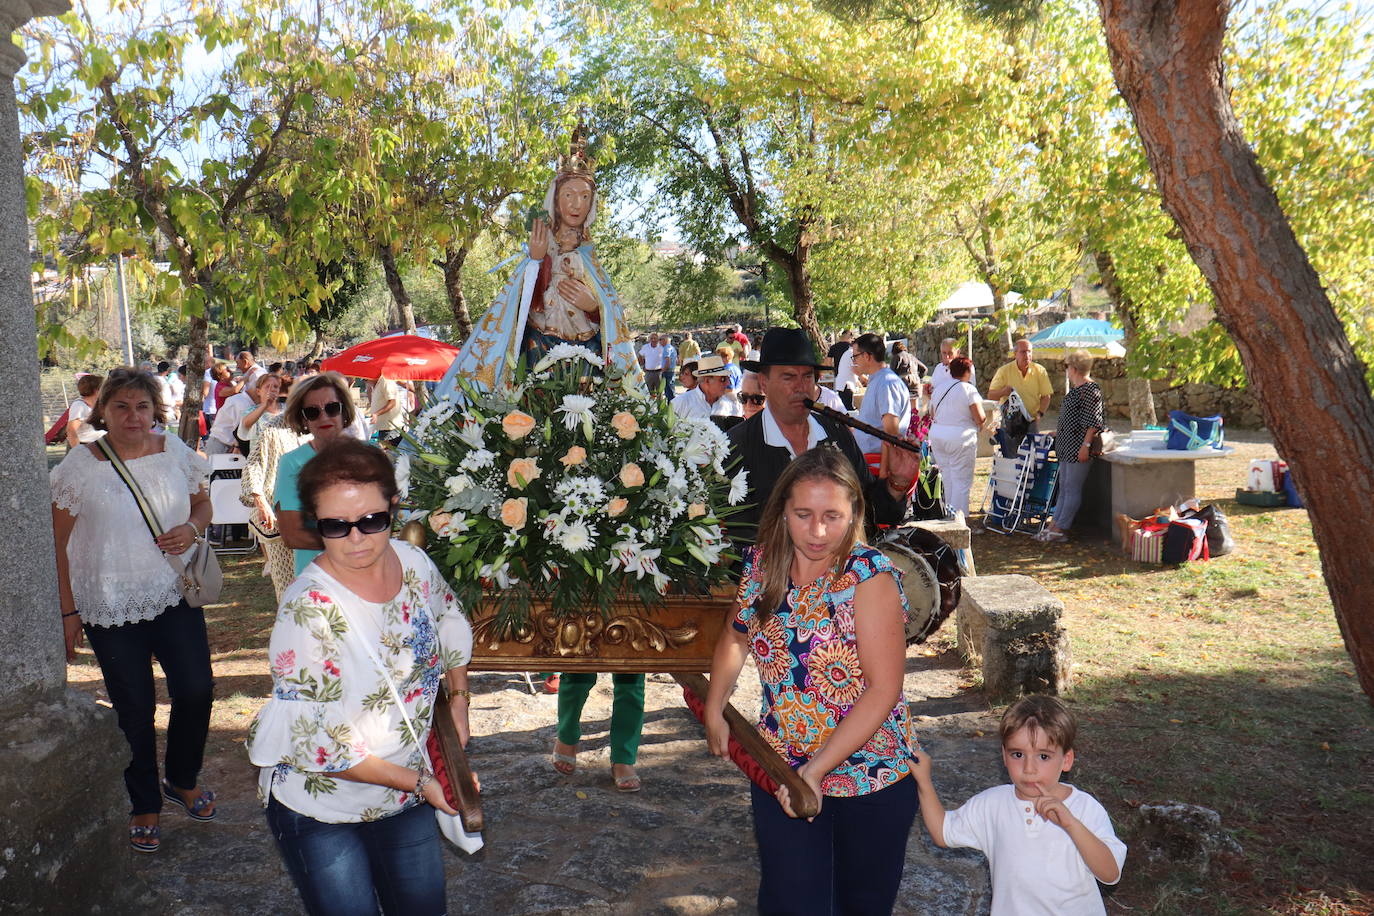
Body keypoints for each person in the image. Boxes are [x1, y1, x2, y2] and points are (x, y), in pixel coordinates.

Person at [247, 439, 475, 916]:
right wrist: (420, 783)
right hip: (322, 809)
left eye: (372, 520)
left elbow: (449, 617)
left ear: (394, 507)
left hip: (408, 790)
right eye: (335, 525)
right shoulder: (308, 611)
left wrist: (458, 702)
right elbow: (319, 743)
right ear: (315, 523)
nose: (357, 539)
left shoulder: (412, 562)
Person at [704, 447, 920, 915]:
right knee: (790, 901)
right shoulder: (762, 566)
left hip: (871, 777)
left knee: (859, 905)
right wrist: (714, 705)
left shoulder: (870, 579)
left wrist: (817, 769)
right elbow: (736, 636)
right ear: (782, 510)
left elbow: (883, 690)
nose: (817, 532)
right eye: (803, 514)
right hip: (782, 769)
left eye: (832, 516)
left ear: (855, 513)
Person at [50, 367, 217, 854]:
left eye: (142, 406)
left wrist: (191, 526)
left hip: (172, 594)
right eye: (121, 406)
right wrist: (68, 612)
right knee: (134, 709)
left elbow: (203, 505)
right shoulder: (81, 465)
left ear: (155, 411)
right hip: (106, 603)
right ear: (102, 411)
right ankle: (143, 801)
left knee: (196, 690)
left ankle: (181, 779)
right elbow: (56, 544)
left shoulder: (173, 451)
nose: (132, 416)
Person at [434, 130, 643, 395]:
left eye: (584, 197)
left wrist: (594, 307)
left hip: (587, 353)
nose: (576, 204)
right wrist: (536, 261)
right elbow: (518, 306)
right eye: (569, 195)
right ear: (555, 199)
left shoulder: (590, 258)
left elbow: (614, 317)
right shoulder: (540, 246)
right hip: (540, 347)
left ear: (592, 204)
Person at [912, 695, 1126, 915]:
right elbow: (943, 832)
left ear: (1066, 760)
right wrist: (924, 782)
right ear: (1004, 755)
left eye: (1043, 756)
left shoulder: (1084, 808)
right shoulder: (992, 805)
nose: (1029, 768)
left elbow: (1110, 874)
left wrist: (1071, 824)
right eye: (1017, 754)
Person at [728, 327, 919, 539]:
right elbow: (739, 538)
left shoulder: (836, 432)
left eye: (808, 377)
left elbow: (873, 512)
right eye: (789, 377)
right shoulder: (738, 445)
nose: (801, 387)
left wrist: (897, 484)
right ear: (764, 382)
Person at [276, 372, 360, 576]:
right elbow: (292, 535)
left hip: (370, 574)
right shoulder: (292, 463)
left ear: (344, 411)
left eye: (332, 408)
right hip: (319, 580)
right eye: (313, 412)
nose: (324, 417)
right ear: (303, 419)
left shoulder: (372, 457)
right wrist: (353, 543)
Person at [1036, 350, 1105, 543]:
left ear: (1073, 368)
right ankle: (1054, 525)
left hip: (1078, 447)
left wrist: (1086, 445)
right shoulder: (1077, 390)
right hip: (1067, 445)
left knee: (1072, 488)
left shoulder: (1091, 390)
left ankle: (1061, 528)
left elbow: (1093, 422)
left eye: (1067, 367)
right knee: (1064, 487)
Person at [240, 408, 310, 598]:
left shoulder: (328, 428)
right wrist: (259, 500)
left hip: (318, 523)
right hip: (281, 519)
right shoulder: (274, 429)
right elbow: (254, 465)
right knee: (288, 589)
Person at [927, 356, 986, 519]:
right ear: (968, 372)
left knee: (948, 477)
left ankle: (949, 516)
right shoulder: (968, 389)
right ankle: (960, 520)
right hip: (960, 437)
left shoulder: (939, 388)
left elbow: (932, 413)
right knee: (962, 481)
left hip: (938, 435)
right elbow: (979, 417)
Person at [849, 333, 913, 480]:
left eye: (855, 356)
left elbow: (890, 433)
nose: (854, 361)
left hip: (877, 468)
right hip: (871, 464)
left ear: (866, 356)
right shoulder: (879, 380)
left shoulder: (886, 383)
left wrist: (884, 474)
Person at [988, 338, 1053, 458]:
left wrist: (1040, 414)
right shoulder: (1004, 371)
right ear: (1015, 354)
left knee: (1032, 458)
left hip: (1031, 422)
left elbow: (1046, 396)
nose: (1027, 355)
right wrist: (1003, 391)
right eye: (1023, 352)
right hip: (1010, 422)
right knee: (1011, 457)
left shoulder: (1040, 371)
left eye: (1029, 351)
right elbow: (991, 395)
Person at [670, 355, 742, 421]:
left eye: (728, 378)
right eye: (722, 379)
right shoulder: (681, 403)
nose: (728, 383)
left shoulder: (731, 404)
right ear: (707, 381)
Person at [208, 375, 257, 455]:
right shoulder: (242, 404)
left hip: (224, 443)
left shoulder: (243, 400)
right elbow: (241, 432)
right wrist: (237, 447)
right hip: (222, 444)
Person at [65, 373, 105, 448]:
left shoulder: (96, 404)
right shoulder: (79, 406)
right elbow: (71, 431)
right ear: (96, 390)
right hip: (85, 447)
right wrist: (77, 451)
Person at [369, 374, 406, 446]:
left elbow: (392, 402)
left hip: (391, 428)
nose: (366, 382)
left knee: (389, 453)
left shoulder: (385, 381)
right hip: (384, 428)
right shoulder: (377, 384)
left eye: (366, 380)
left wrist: (376, 414)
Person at [833, 341, 858, 411]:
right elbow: (856, 370)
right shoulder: (851, 353)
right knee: (848, 409)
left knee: (845, 408)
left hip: (844, 385)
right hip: (845, 386)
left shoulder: (848, 353)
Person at [639, 333, 666, 397]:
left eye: (655, 338)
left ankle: (659, 406)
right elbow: (640, 355)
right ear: (649, 339)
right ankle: (651, 406)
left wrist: (664, 367)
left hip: (658, 372)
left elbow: (666, 358)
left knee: (659, 392)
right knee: (649, 392)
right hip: (648, 373)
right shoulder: (645, 347)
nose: (653, 340)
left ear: (658, 339)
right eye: (651, 338)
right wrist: (643, 364)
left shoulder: (661, 347)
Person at [660, 335, 678, 400]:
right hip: (671, 370)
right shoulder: (672, 348)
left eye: (660, 339)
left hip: (667, 371)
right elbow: (676, 360)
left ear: (665, 340)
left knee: (668, 391)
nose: (659, 341)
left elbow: (668, 361)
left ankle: (671, 406)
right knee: (671, 389)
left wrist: (663, 370)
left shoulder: (666, 348)